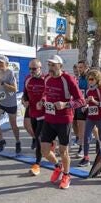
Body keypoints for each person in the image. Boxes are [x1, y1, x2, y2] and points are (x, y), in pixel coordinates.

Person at [37, 55, 85, 189]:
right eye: (49, 65)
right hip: (49, 118)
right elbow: (45, 93)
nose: (50, 68)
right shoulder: (47, 78)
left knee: (63, 151)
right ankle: (58, 167)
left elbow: (81, 101)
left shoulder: (68, 79)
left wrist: (65, 104)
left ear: (60, 66)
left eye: (53, 65)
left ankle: (66, 175)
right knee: (45, 151)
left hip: (64, 120)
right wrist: (42, 101)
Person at [0, 55, 20, 153]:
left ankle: (18, 141)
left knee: (13, 125)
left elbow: (14, 89)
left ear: (6, 64)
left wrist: (3, 84)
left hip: (10, 103)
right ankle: (2, 140)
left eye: (1, 63)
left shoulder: (10, 73)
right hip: (0, 101)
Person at [80, 69, 101, 167]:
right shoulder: (88, 90)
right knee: (86, 137)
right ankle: (86, 158)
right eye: (88, 79)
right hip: (91, 117)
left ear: (97, 79)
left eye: (92, 79)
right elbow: (88, 103)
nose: (89, 81)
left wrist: (95, 101)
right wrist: (86, 106)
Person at [22, 59, 45, 175]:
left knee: (39, 138)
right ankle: (49, 146)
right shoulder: (27, 79)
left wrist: (43, 101)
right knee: (37, 136)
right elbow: (24, 95)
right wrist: (24, 101)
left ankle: (37, 164)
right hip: (33, 112)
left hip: (44, 114)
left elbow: (50, 94)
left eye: (34, 69)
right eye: (30, 68)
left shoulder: (46, 79)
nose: (31, 71)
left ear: (40, 68)